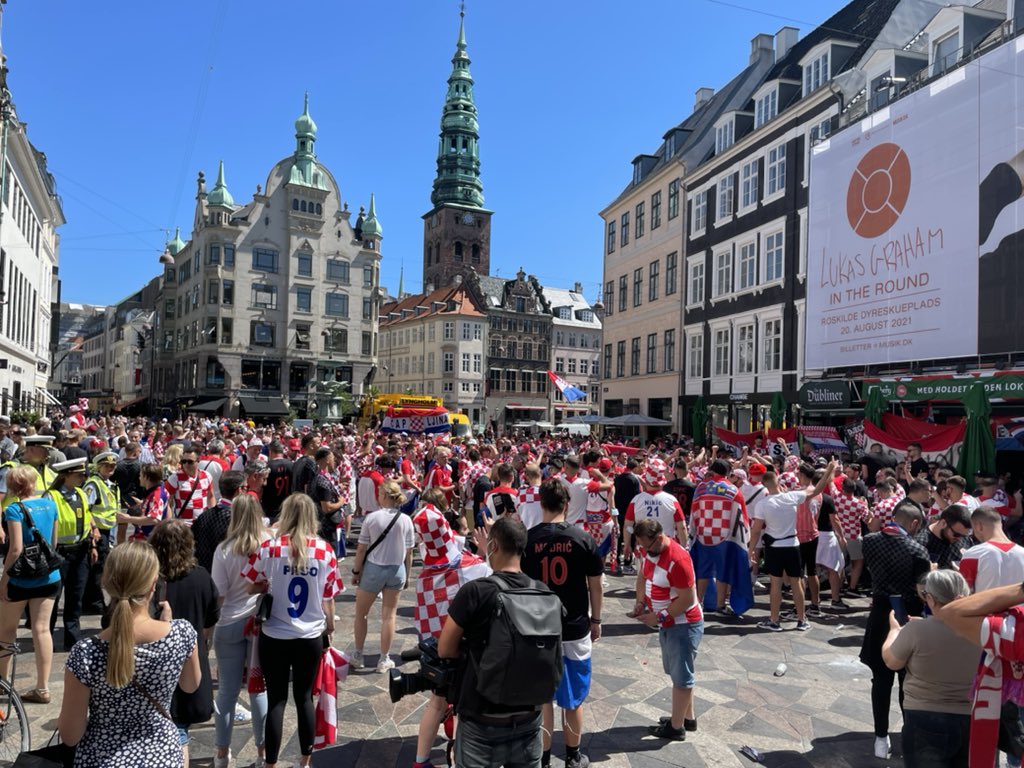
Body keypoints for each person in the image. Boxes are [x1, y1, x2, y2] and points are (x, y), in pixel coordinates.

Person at [58, 541, 202, 767]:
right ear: (154, 584)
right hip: (162, 755)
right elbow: (191, 685)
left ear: (106, 583)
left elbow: (70, 735)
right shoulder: (181, 634)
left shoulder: (85, 653)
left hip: (102, 759)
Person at [439, 516, 546, 767]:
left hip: (482, 717)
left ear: (493, 546)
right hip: (530, 715)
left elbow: (445, 648)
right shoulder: (542, 592)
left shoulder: (476, 592)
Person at [243, 493, 339, 768]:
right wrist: (329, 627)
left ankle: (270, 763)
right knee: (305, 697)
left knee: (276, 700)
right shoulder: (324, 550)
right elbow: (328, 596)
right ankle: (305, 761)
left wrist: (271, 584)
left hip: (275, 634)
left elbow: (249, 583)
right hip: (309, 634)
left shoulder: (270, 548)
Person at [522, 480, 603, 768]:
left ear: (541, 504)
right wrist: (596, 620)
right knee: (573, 698)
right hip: (575, 625)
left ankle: (543, 759)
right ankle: (572, 756)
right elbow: (595, 586)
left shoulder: (527, 540)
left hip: (538, 627)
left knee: (544, 698)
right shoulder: (582, 538)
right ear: (566, 505)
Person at [410, 489, 490, 768]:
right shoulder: (469, 568)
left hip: (435, 650)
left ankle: (420, 761)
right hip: (464, 648)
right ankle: (459, 760)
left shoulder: (424, 574)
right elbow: (495, 577)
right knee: (465, 708)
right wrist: (486, 548)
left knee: (436, 703)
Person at [881, 569, 977, 768]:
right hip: (972, 719)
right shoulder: (982, 629)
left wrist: (894, 632)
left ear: (931, 599)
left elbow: (891, 661)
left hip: (924, 718)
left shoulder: (916, 630)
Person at [860, 501, 931, 760]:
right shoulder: (917, 550)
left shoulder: (869, 540)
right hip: (907, 616)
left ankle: (881, 737)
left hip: (880, 612)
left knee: (880, 679)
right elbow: (923, 592)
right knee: (907, 680)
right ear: (913, 523)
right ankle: (908, 734)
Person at [150, 519, 219, 764]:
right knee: (180, 731)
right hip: (190, 662)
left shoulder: (150, 579)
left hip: (153, 664)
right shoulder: (201, 576)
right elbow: (211, 618)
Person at [632, 517, 704, 741]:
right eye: (642, 546)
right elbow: (642, 576)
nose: (645, 551)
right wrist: (640, 602)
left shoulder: (677, 559)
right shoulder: (649, 552)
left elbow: (687, 598)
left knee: (682, 676)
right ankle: (686, 718)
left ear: (659, 537)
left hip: (683, 623)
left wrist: (659, 617)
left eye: (648, 546)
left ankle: (676, 728)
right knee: (679, 671)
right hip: (669, 623)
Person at [210, 494, 268, 768]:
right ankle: (262, 751)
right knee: (259, 689)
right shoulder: (267, 546)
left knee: (226, 692)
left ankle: (222, 753)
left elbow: (219, 594)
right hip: (259, 623)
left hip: (229, 621)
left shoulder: (223, 550)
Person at [748, 462, 836, 632]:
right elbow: (817, 490)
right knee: (797, 582)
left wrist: (751, 550)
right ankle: (802, 620)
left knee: (776, 585)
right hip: (793, 545)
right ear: (778, 482)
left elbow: (756, 530)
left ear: (764, 485)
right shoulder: (792, 497)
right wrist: (829, 470)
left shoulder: (763, 504)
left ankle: (774, 620)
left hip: (775, 547)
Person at [0, 465, 61, 703]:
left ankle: (3, 682)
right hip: (49, 576)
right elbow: (53, 543)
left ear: (14, 486)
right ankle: (43, 687)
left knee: (6, 631)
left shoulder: (14, 510)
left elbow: (15, 549)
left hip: (20, 579)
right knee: (42, 629)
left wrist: (4, 579)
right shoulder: (51, 504)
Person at [350, 480, 416, 673]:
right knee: (389, 616)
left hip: (374, 568)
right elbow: (409, 552)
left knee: (361, 613)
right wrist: (408, 575)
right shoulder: (406, 520)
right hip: (396, 569)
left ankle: (358, 654)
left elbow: (361, 549)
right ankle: (383, 658)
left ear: (385, 496)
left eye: (380, 494)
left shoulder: (372, 518)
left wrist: (356, 571)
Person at [48, 456, 97, 649]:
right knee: (54, 597)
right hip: (61, 552)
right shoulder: (52, 496)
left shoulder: (81, 494)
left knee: (76, 596)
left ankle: (72, 638)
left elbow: (87, 517)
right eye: (78, 475)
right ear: (67, 476)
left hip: (81, 550)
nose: (82, 478)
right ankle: (47, 635)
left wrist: (93, 541)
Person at [688, 459, 750, 613]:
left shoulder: (701, 488)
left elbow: (693, 512)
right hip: (725, 536)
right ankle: (720, 605)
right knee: (723, 571)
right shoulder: (733, 490)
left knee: (703, 571)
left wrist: (693, 532)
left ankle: (698, 602)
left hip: (703, 535)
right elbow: (742, 516)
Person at [82, 450, 121, 614]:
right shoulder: (93, 484)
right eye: (107, 465)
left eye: (113, 465)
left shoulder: (111, 484)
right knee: (97, 568)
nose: (110, 468)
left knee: (99, 568)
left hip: (107, 531)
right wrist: (94, 530)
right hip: (97, 532)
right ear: (99, 467)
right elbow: (86, 509)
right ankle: (94, 602)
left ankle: (91, 601)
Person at [959, 504, 1024, 592]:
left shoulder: (974, 554)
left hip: (986, 605)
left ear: (979, 526)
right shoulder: (1022, 552)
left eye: (973, 530)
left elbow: (963, 593)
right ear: (1000, 524)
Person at [193, 470, 245, 573]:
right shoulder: (236, 518)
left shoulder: (204, 515)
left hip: (203, 571)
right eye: (245, 488)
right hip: (225, 573)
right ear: (239, 490)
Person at [164, 443, 214, 527]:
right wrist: (169, 521)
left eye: (190, 462)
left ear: (198, 461)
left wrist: (212, 516)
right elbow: (165, 501)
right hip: (184, 526)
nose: (186, 464)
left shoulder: (207, 476)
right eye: (183, 461)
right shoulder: (174, 478)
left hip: (203, 524)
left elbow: (211, 497)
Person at [914, 504, 971, 568]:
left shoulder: (965, 539)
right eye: (956, 534)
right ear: (943, 523)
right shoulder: (921, 544)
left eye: (964, 536)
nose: (959, 539)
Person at [261, 440, 292, 521]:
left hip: (270, 508)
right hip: (288, 507)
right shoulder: (292, 464)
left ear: (270, 451)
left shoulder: (267, 466)